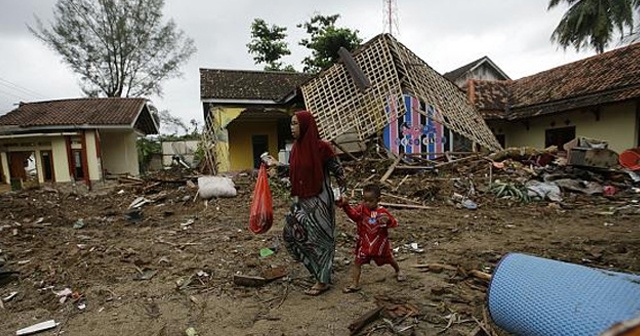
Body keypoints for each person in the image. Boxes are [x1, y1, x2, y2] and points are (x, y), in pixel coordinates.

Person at [265, 110, 346, 296]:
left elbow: (339, 172)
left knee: (322, 242)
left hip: (321, 202)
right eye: (291, 124)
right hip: (301, 202)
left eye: (295, 124)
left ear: (305, 125)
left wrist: (344, 193)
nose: (291, 127)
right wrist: (277, 167)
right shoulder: (295, 149)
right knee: (291, 235)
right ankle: (317, 271)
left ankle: (322, 280)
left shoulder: (322, 148)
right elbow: (295, 171)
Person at [338, 183, 405, 293]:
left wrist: (387, 221)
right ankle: (355, 284)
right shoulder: (361, 209)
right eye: (365, 200)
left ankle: (398, 270)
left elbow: (394, 223)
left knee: (389, 258)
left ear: (378, 199)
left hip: (379, 245)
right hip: (364, 243)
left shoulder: (383, 212)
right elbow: (354, 215)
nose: (367, 203)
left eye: (370, 201)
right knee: (357, 262)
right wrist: (346, 206)